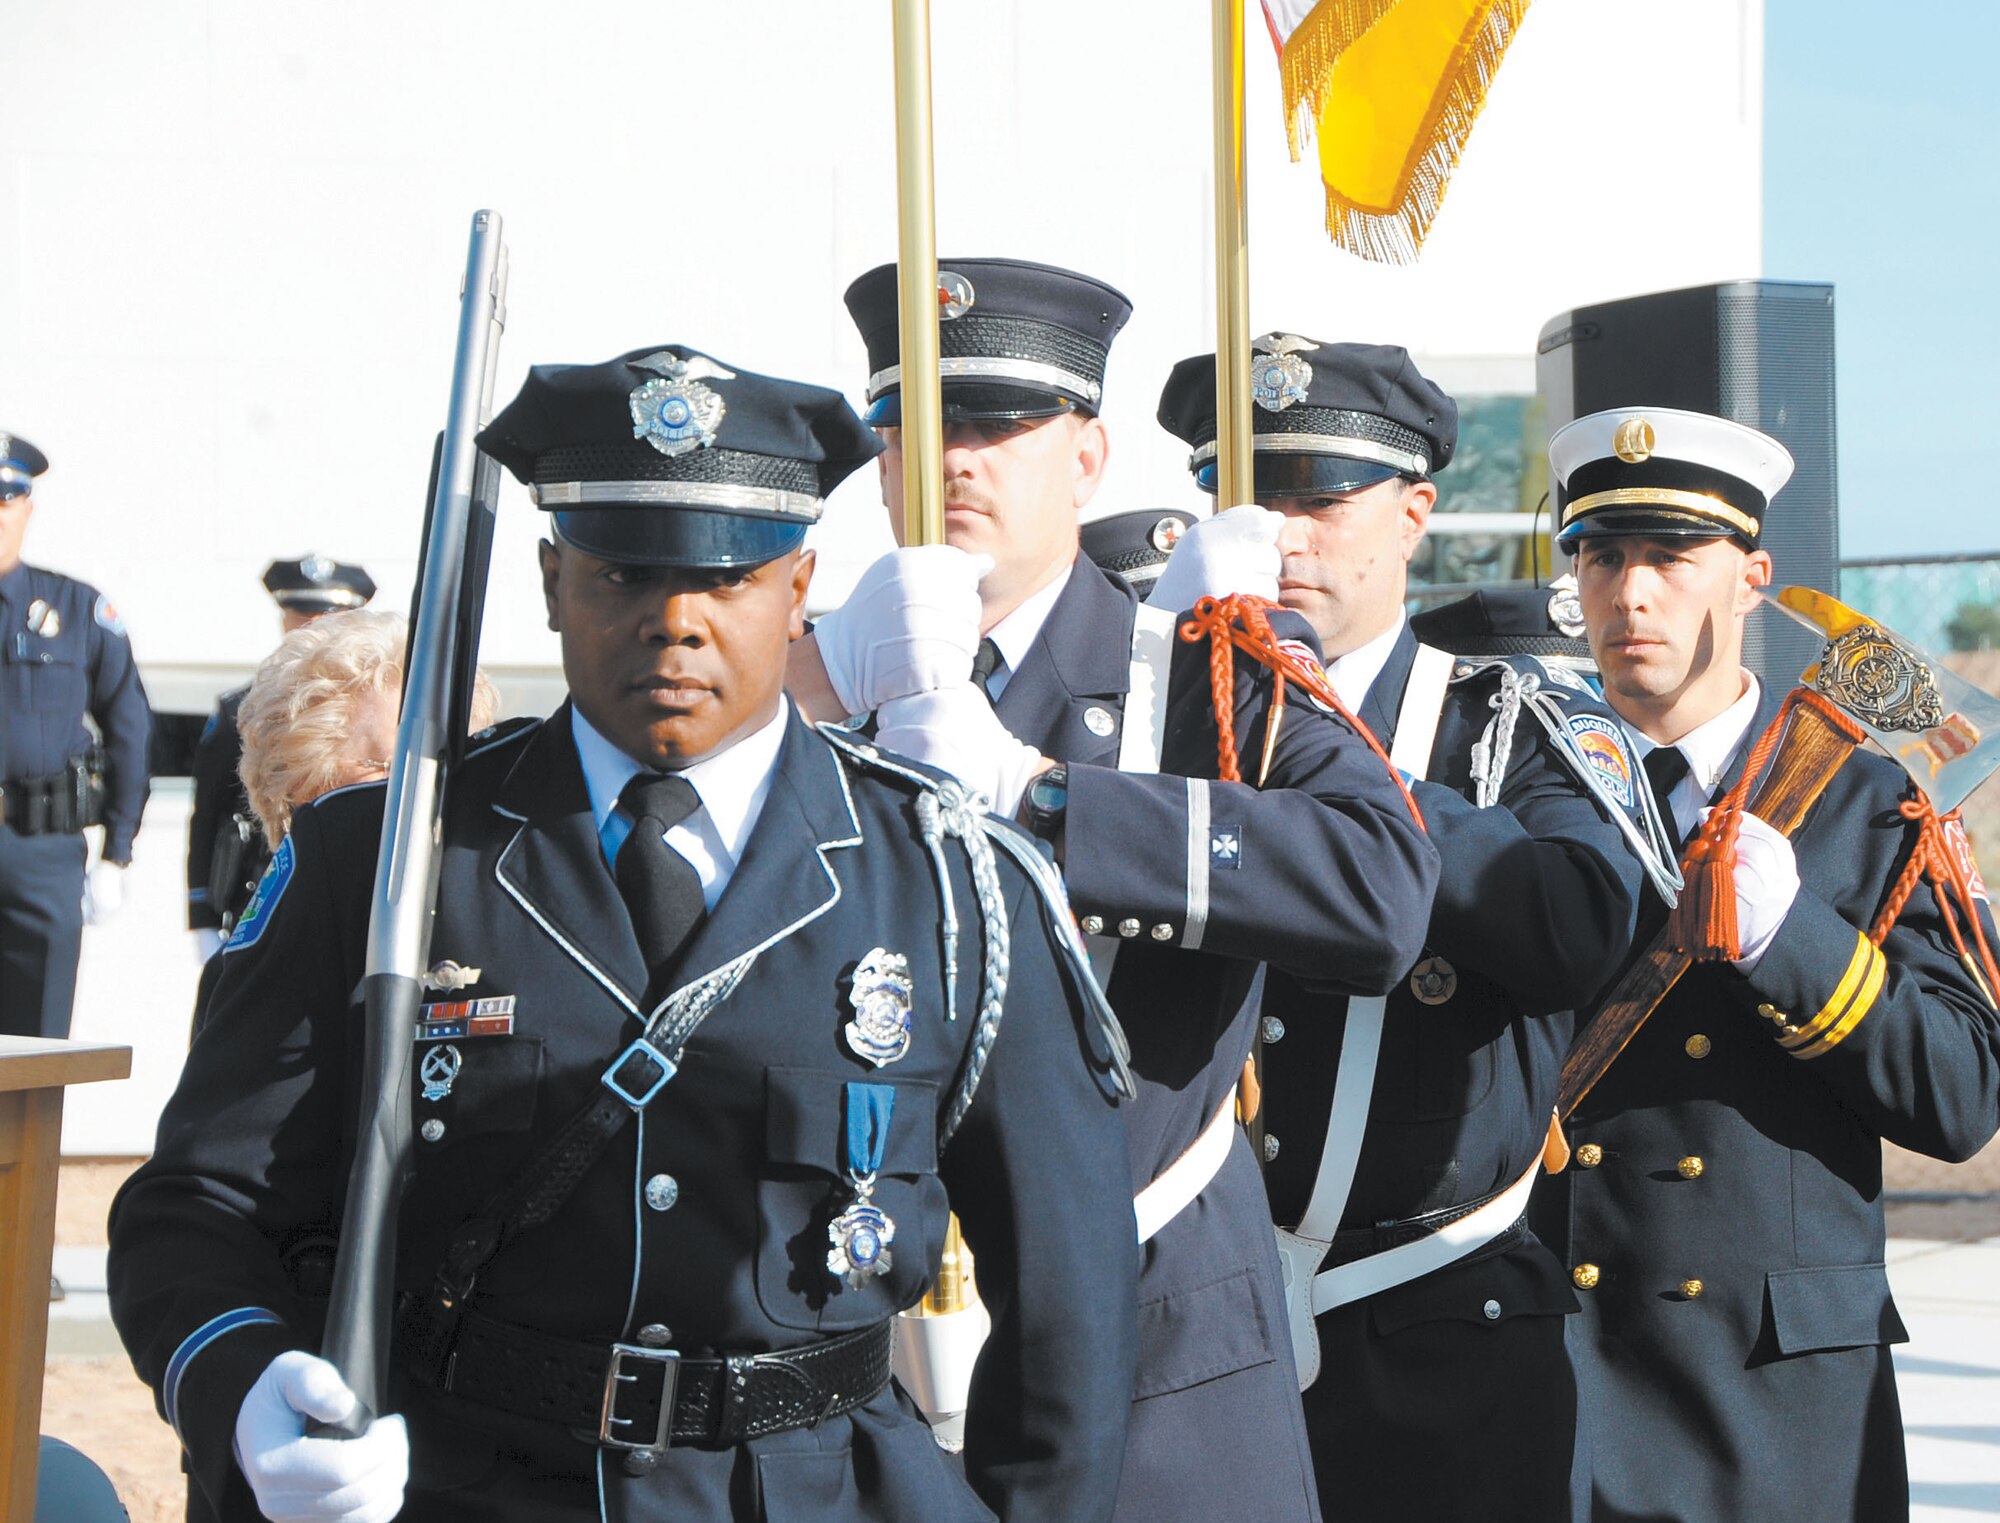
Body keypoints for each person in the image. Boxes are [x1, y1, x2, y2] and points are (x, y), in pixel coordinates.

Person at [107, 344, 1139, 1523]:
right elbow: (197, 1211)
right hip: (469, 1479)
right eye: (623, 576)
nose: (676, 621)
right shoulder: (380, 859)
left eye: (730, 577)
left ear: (800, 585)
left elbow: (1072, 1304)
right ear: (550, 581)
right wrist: (248, 1391)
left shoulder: (948, 881)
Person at [794, 263, 1442, 1523]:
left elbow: (1379, 887)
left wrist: (1044, 793)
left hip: (1155, 1337)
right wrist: (807, 702)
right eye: (911, 434)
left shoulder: (1187, 671)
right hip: (856, 1337)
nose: (949, 465)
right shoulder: (808, 683)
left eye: (992, 425)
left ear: (1086, 457)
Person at [1152, 337, 1656, 1522]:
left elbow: (1581, 926)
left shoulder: (1503, 716)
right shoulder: (1152, 711)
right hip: (1197, 1318)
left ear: (1413, 511)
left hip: (1437, 1325)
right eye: (1250, 502)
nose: (1284, 536)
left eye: (1321, 501)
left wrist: (1345, 776)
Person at [1534, 405, 2000, 1522]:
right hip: (1550, 1367)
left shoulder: (1869, 800)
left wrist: (1790, 938)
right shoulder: (1522, 786)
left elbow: (1960, 1094)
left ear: (1750, 577)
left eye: (1668, 556)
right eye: (1600, 555)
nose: (1628, 592)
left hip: (1763, 1396)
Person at [0, 431, 150, 1040]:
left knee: (37, 1041)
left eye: (5, 497)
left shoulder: (75, 606)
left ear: (27, 508)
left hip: (41, 852)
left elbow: (129, 726)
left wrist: (117, 850)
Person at [185, 554, 375, 952]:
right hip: (262, 894)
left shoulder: (384, 709)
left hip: (357, 890)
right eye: (301, 618)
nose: (312, 630)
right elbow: (208, 814)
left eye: (327, 619)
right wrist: (201, 914)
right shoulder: (244, 710)